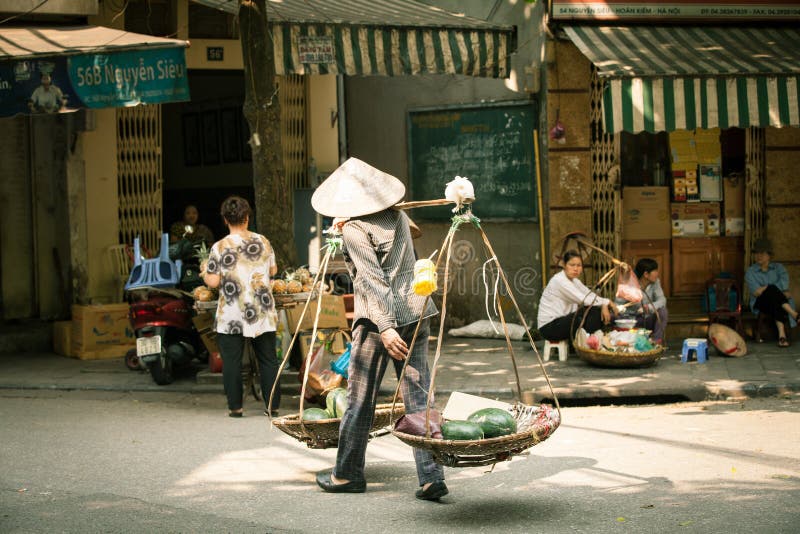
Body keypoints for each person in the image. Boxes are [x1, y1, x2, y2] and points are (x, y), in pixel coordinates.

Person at [310, 157, 446, 501]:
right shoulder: (398, 216)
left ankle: (347, 474)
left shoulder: (355, 229)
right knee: (418, 396)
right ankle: (431, 477)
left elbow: (373, 283)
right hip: (416, 310)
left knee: (360, 398)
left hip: (377, 321)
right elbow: (401, 257)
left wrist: (385, 327)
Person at [201, 196, 280, 416]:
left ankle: (236, 407)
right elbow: (273, 271)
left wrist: (204, 274)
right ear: (247, 217)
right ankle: (272, 407)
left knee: (232, 361)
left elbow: (214, 281)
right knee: (268, 359)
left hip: (232, 311)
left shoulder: (219, 247)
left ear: (225, 219)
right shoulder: (263, 241)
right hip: (262, 309)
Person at [537, 249, 619, 342]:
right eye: (572, 265)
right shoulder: (559, 280)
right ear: (564, 265)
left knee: (595, 310)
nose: (576, 269)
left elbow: (589, 294)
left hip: (562, 322)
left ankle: (589, 342)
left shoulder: (575, 281)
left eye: (579, 265)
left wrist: (604, 303)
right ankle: (588, 344)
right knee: (593, 311)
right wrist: (605, 302)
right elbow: (583, 299)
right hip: (549, 327)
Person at [745, 238, 799, 347]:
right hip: (760, 303)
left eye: (762, 253)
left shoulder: (779, 268)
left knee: (775, 299)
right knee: (772, 289)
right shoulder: (751, 271)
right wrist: (771, 288)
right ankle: (794, 314)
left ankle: (781, 336)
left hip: (776, 302)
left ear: (769, 255)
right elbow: (756, 292)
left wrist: (766, 288)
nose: (758, 256)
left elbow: (784, 284)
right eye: (756, 253)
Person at [616, 258, 668, 344]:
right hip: (632, 320)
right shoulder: (630, 283)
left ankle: (656, 340)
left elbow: (662, 300)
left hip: (647, 319)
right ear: (646, 274)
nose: (657, 273)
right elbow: (618, 304)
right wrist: (622, 309)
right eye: (655, 271)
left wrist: (649, 307)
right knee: (613, 316)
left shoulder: (655, 282)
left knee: (663, 311)